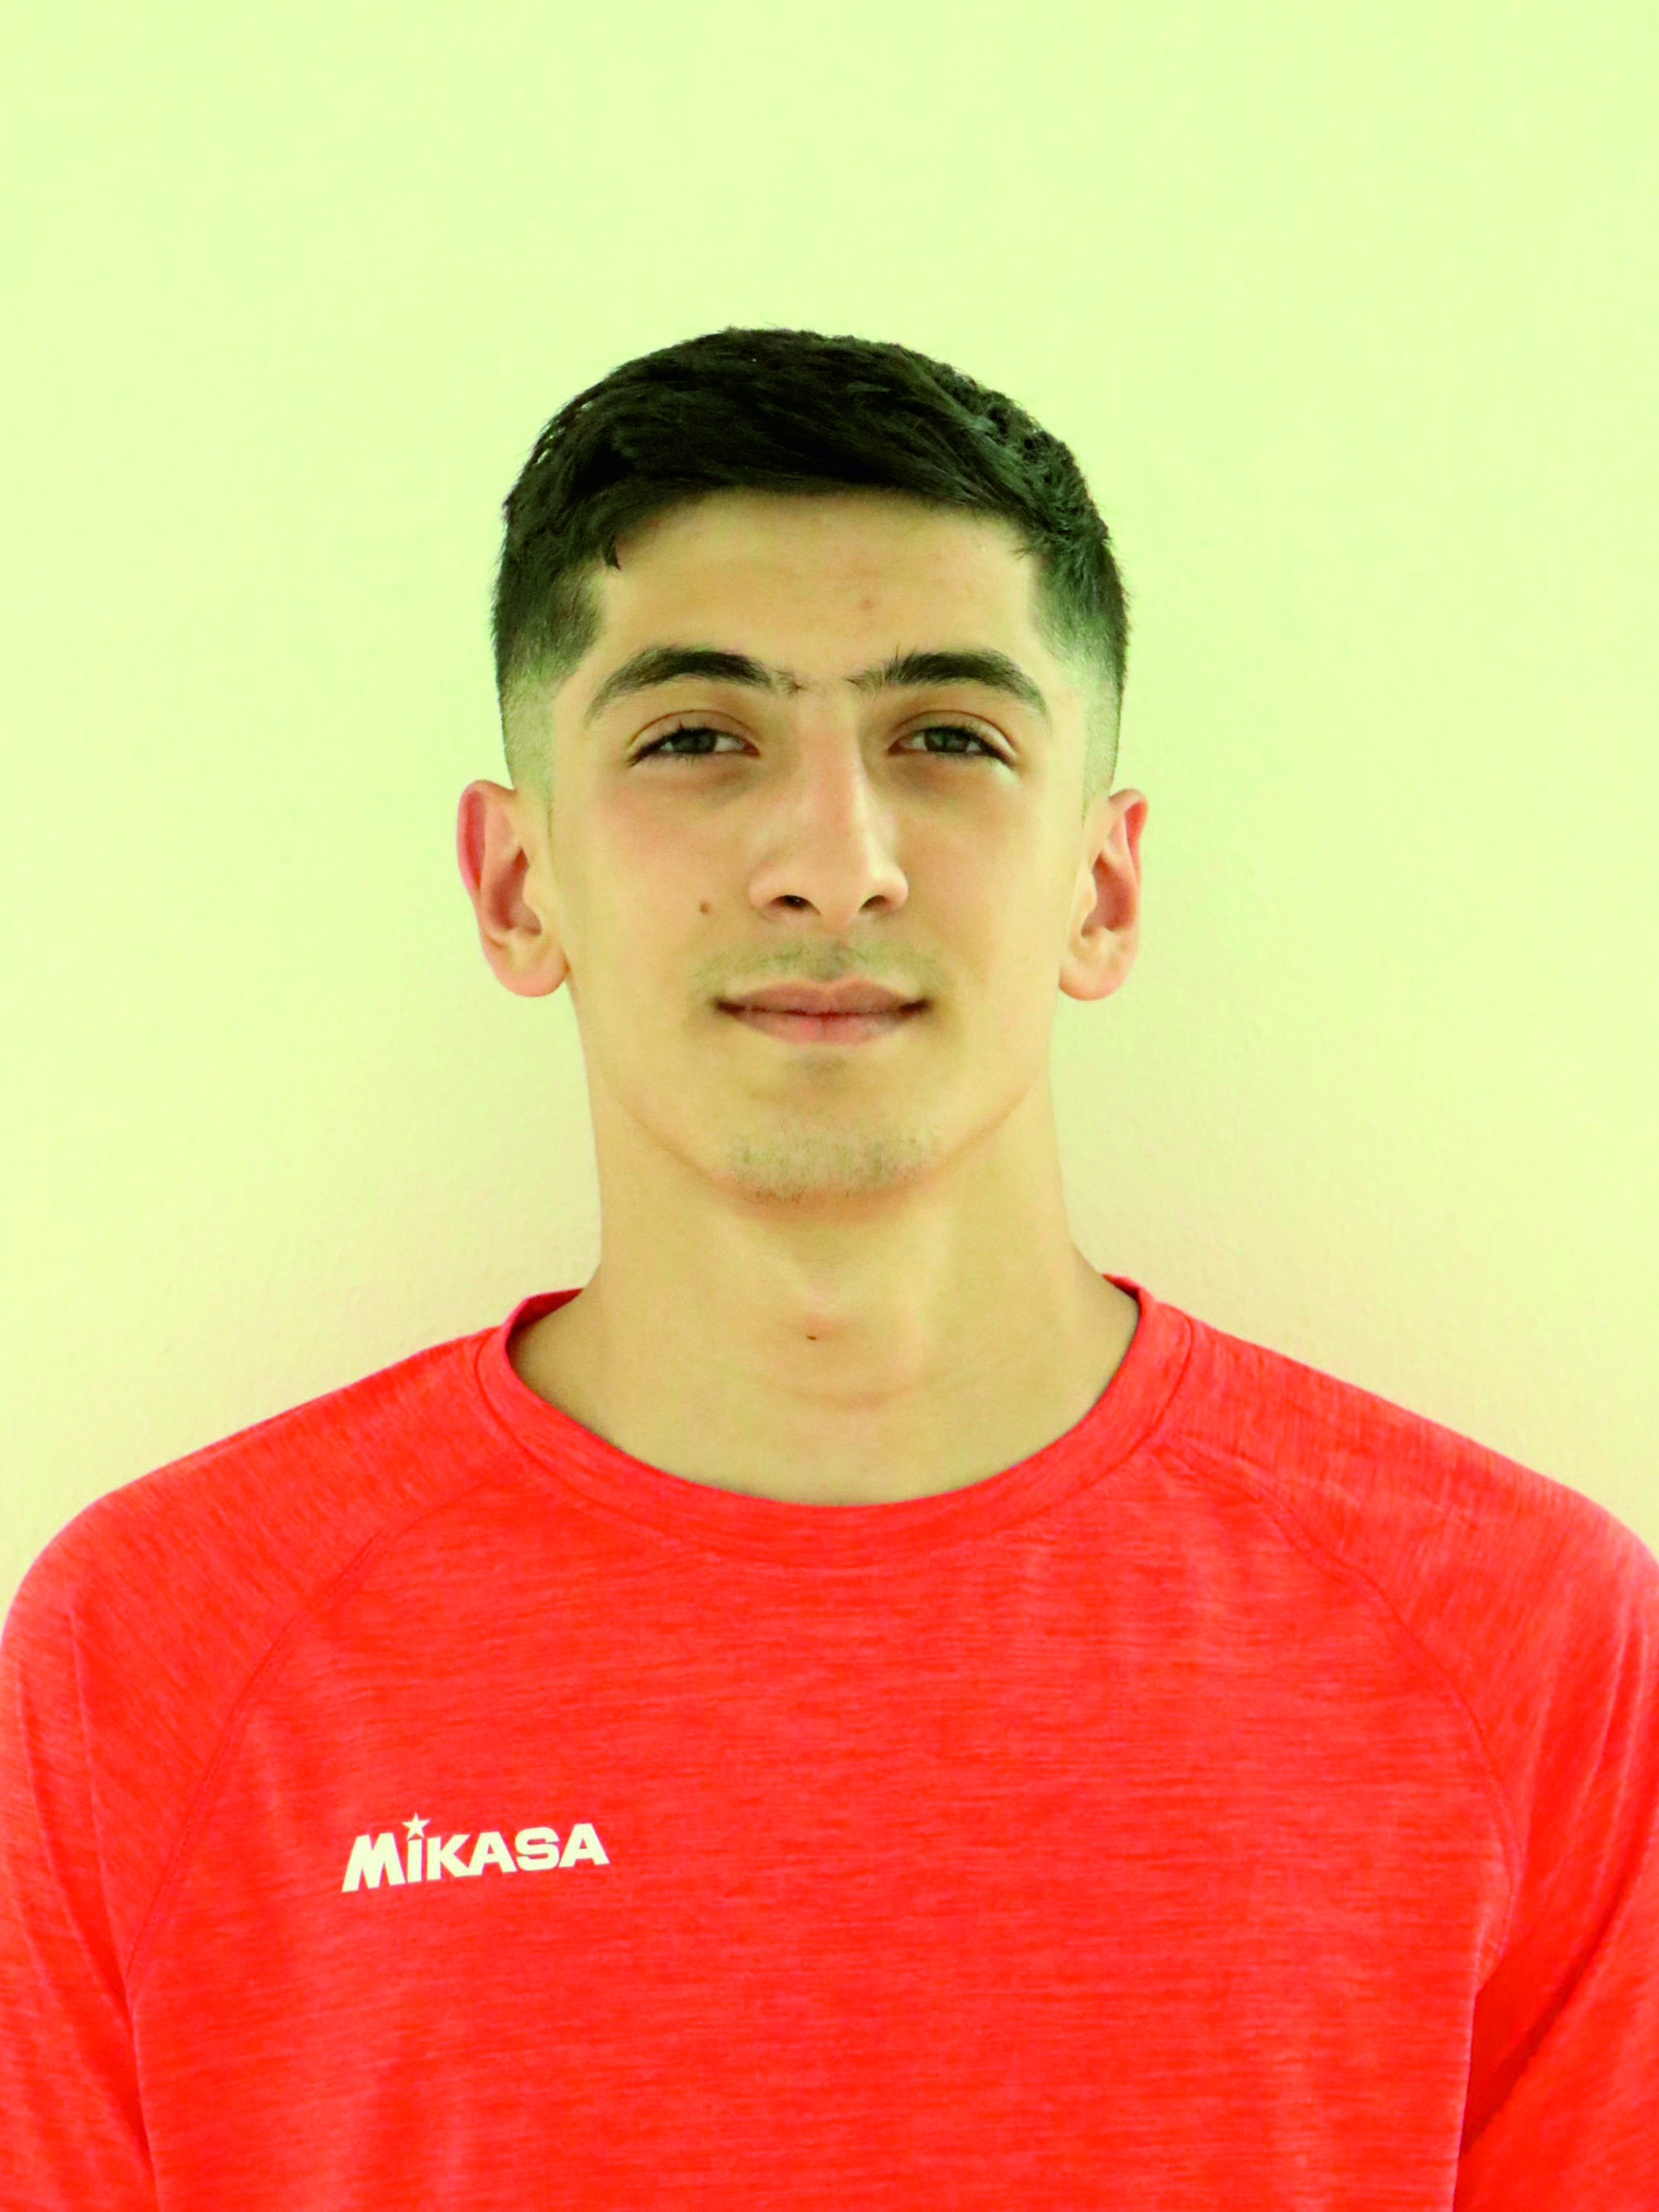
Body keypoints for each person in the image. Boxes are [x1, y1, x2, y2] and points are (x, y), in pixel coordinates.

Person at [2, 327, 1653, 2209]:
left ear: (1102, 886)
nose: (833, 860)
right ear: (517, 883)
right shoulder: (154, 1655)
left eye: (946, 738)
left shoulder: (1529, 1649)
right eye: (696, 738)